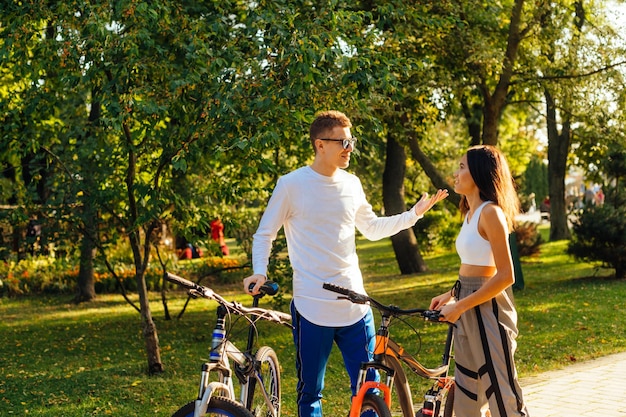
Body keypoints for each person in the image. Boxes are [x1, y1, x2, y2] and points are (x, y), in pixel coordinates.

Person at [243, 110, 448, 417]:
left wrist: (413, 214)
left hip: (355, 306)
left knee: (370, 388)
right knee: (310, 392)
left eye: (351, 140)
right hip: (311, 307)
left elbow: (372, 227)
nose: (349, 147)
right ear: (319, 145)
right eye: (342, 141)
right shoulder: (291, 185)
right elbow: (265, 234)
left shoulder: (352, 184)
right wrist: (260, 271)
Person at [429, 145, 530, 417]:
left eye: (462, 167)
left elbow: (506, 275)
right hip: (467, 301)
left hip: (490, 310)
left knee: (501, 392)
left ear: (479, 172)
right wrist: (451, 294)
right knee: (467, 390)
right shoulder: (470, 214)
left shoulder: (491, 213)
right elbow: (475, 269)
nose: (456, 173)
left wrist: (460, 305)